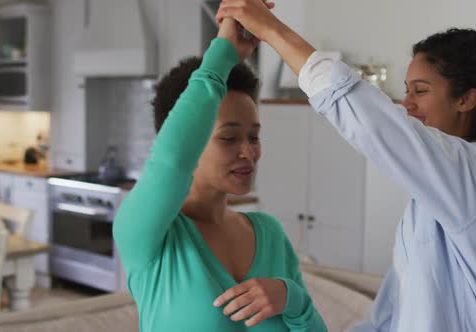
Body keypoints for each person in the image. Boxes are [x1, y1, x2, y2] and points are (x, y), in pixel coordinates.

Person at [216, 1, 476, 331]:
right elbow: (391, 311)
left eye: (421, 90)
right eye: (407, 91)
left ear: (466, 100)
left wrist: (271, 29)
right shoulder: (437, 195)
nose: (408, 103)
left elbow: (373, 121)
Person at [112, 14, 327, 332]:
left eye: (253, 136)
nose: (248, 152)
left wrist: (293, 299)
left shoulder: (269, 233)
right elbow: (172, 160)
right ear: (191, 138)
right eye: (229, 137)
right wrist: (222, 51)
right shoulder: (149, 235)